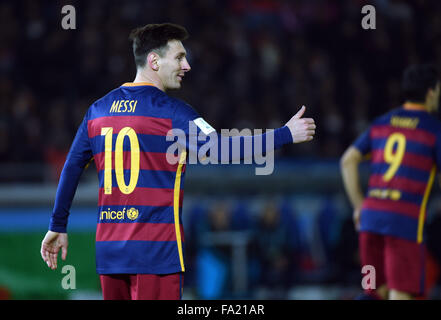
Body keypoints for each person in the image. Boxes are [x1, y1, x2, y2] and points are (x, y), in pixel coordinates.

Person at [40, 23, 316, 300]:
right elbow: (220, 149)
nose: (187, 66)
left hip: (110, 251)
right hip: (156, 253)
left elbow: (72, 166)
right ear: (154, 60)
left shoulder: (97, 111)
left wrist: (57, 225)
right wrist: (284, 135)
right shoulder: (173, 113)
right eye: (180, 57)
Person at [340, 64, 441, 300]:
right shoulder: (434, 130)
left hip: (369, 222)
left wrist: (358, 206)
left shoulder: (382, 123)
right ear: (430, 92)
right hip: (403, 225)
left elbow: (348, 160)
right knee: (399, 294)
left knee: (374, 291)